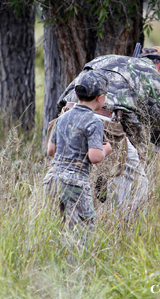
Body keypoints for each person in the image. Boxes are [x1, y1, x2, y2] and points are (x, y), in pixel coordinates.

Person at [57, 46, 160, 215]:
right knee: (137, 190)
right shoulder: (154, 79)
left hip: (66, 119)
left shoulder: (104, 59)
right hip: (105, 122)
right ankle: (125, 232)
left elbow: (64, 98)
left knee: (73, 183)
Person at [43, 70, 113, 234]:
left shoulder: (62, 118)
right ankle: (76, 260)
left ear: (76, 94)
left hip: (52, 179)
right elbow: (95, 157)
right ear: (100, 98)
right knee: (82, 231)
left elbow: (51, 150)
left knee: (57, 228)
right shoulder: (94, 121)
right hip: (75, 183)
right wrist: (107, 149)